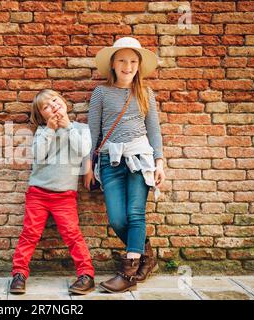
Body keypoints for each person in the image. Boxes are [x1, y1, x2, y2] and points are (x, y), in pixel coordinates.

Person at [84, 37, 166, 293]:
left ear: (139, 65)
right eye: (122, 60)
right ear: (113, 64)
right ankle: (145, 254)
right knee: (118, 218)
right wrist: (88, 165)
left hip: (141, 159)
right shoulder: (101, 93)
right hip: (110, 160)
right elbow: (92, 132)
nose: (127, 66)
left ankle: (128, 273)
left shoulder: (145, 93)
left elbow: (154, 131)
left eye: (132, 61)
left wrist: (160, 162)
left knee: (135, 213)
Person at [10, 89, 95, 295]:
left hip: (64, 196)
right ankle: (19, 274)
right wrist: (50, 129)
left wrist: (67, 128)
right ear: (42, 115)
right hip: (38, 193)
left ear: (64, 101)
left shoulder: (81, 128)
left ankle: (87, 275)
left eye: (55, 100)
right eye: (46, 107)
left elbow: (83, 150)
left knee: (72, 235)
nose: (53, 106)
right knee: (30, 234)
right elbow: (38, 155)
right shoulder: (42, 130)